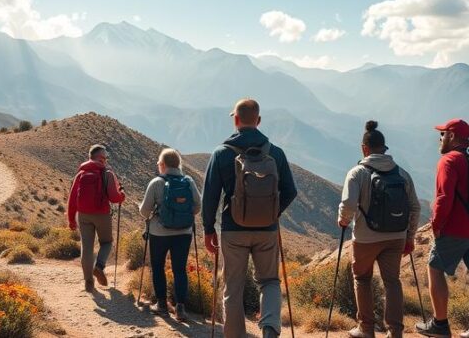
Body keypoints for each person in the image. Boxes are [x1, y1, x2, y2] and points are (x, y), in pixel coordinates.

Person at [203, 98, 298, 338]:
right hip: (267, 230)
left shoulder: (221, 153)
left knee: (233, 287)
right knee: (269, 281)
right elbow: (290, 191)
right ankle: (270, 329)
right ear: (259, 120)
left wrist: (208, 229)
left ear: (236, 120)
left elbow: (210, 196)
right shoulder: (276, 153)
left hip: (233, 229)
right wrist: (272, 212)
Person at [337, 121, 421, 338]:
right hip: (396, 237)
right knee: (392, 282)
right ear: (384, 148)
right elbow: (415, 207)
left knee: (362, 279)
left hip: (365, 238)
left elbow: (348, 204)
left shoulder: (357, 173)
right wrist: (410, 237)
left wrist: (343, 220)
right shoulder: (402, 174)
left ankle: (366, 329)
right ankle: (395, 332)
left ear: (364, 148)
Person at [415, 119, 469, 338]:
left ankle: (439, 324)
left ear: (451, 136)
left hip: (458, 228)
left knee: (434, 269)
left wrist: (437, 225)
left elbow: (443, 197)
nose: (440, 139)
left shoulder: (449, 160)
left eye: (442, 134)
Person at [138, 148, 202, 321]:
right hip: (184, 233)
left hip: (159, 233)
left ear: (163, 164)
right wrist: (183, 216)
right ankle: (180, 308)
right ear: (178, 164)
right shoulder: (188, 181)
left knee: (158, 267)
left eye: (159, 163)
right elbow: (197, 205)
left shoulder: (156, 183)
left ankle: (161, 305)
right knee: (179, 269)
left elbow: (144, 212)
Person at [67, 144, 126, 292]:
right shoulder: (107, 173)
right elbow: (114, 198)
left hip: (83, 215)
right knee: (106, 242)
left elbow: (72, 199)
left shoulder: (81, 174)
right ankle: (99, 266)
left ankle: (88, 282)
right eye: (105, 158)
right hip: (102, 214)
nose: (106, 160)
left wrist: (71, 220)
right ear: (101, 158)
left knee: (86, 247)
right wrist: (122, 195)